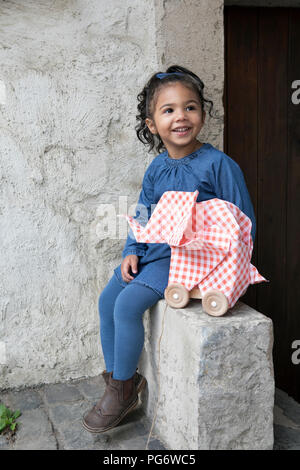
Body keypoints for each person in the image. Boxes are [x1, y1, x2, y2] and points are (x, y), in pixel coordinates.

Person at [82, 65, 256, 433]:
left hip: (183, 262)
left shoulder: (218, 165)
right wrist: (132, 248)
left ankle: (123, 389)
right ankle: (118, 376)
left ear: (202, 114)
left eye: (190, 107)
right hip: (149, 255)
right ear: (152, 125)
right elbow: (143, 214)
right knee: (107, 300)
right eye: (169, 110)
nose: (181, 116)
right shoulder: (156, 169)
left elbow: (242, 221)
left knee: (128, 306)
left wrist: (229, 272)